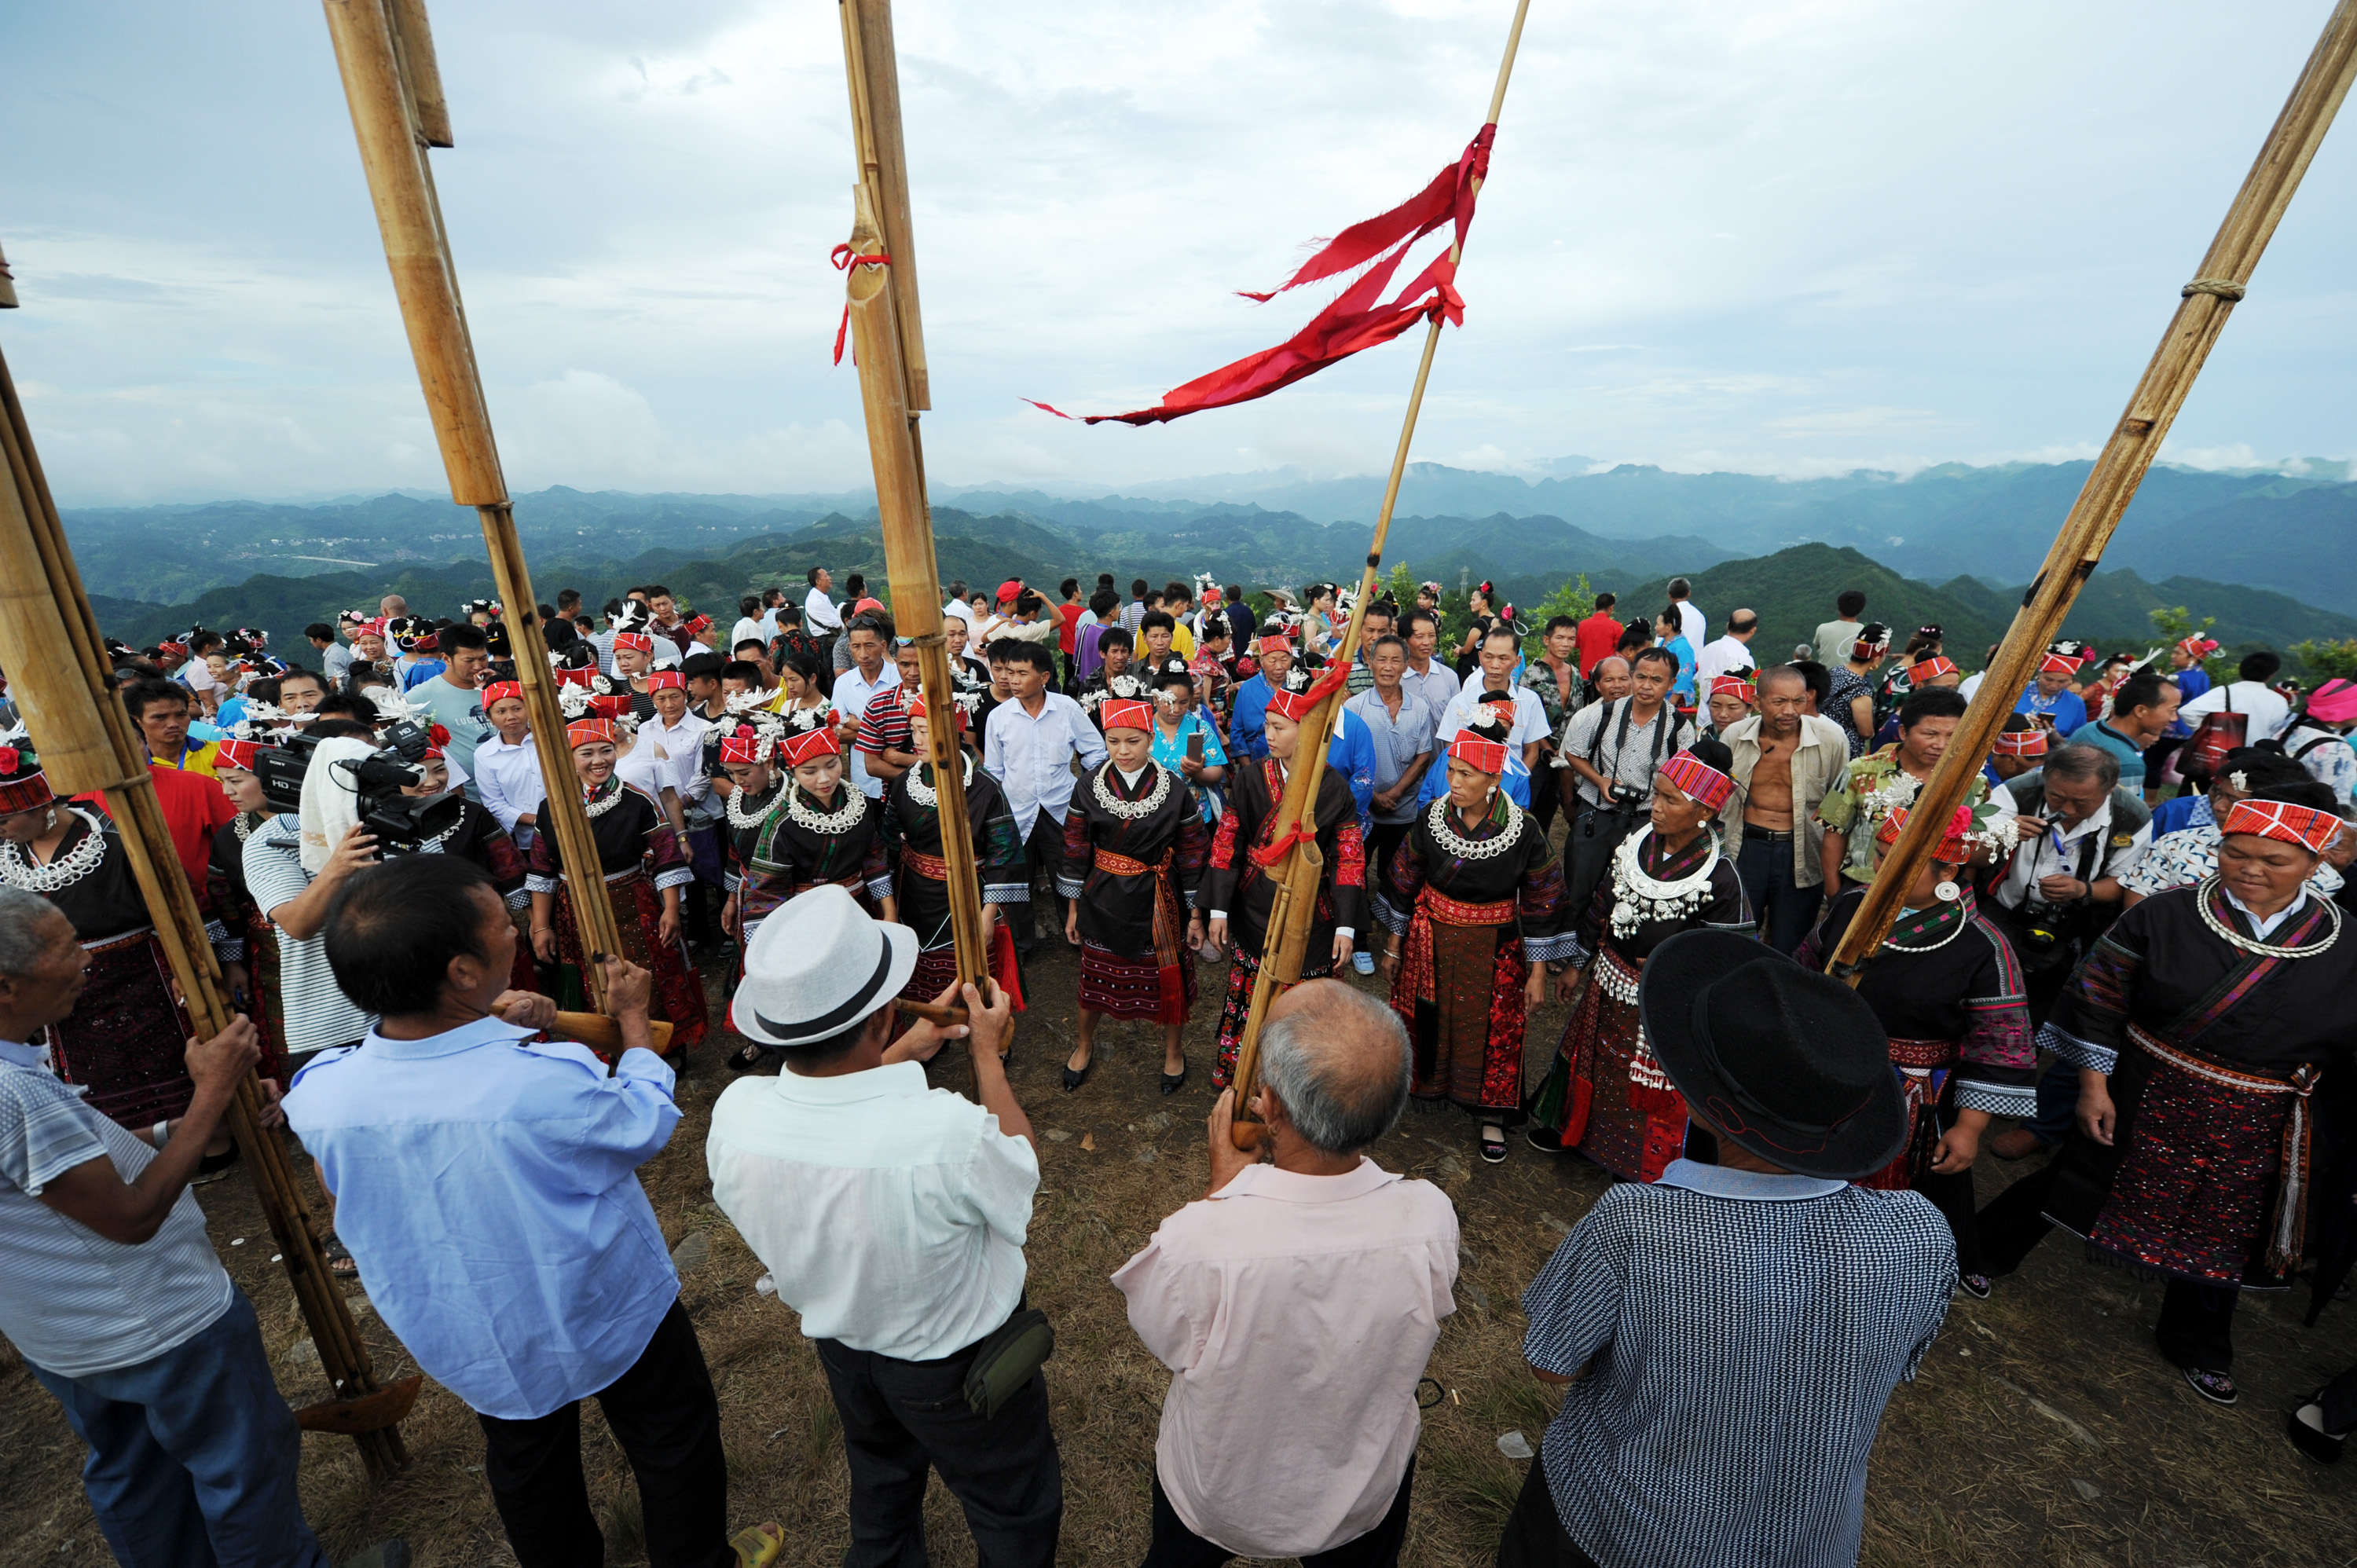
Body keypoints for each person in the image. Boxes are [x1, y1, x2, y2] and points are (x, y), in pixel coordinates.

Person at [285, 855, 735, 1568]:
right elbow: (643, 1123)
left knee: (528, 1465)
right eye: (502, 924)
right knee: (670, 1435)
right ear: (462, 973)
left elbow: (347, 1182)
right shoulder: (539, 1083)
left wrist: (503, 1020)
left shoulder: (320, 1094)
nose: (519, 931)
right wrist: (632, 1027)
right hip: (604, 1303)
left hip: (472, 1327)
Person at [1501, 932, 1951, 1568]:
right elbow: (1894, 1363)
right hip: (1807, 1540)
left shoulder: (1638, 1224)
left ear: (1702, 1104)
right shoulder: (1920, 1232)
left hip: (1625, 1528)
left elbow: (1551, 1361)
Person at [707, 893, 1059, 1567]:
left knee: (882, 1485)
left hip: (844, 1347)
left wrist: (897, 1052)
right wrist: (987, 1055)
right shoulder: (943, 1133)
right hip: (953, 1365)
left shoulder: (736, 1114)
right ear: (885, 1014)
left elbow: (835, 1102)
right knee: (1012, 1506)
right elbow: (1020, 1168)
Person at [1975, 793, 2354, 1407]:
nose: (2250, 869)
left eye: (2274, 860)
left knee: (2223, 1223)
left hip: (2255, 1114)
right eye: (2236, 853)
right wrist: (2093, 1085)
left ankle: (2199, 1341)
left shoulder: (2345, 944)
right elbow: (2098, 994)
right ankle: (1983, 1251)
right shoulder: (2166, 914)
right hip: (2145, 1084)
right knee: (2079, 1175)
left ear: (2313, 866)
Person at [0, 887, 337, 1568]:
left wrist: (179, 1127)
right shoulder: (15, 1092)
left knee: (138, 1479)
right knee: (242, 1471)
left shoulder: (15, 1077)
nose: (89, 960)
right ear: (7, 986)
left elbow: (59, 1164)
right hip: (151, 1325)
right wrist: (213, 1089)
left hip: (61, 1333)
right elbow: (132, 1217)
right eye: (70, 948)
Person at [1113, 980, 1454, 1568]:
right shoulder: (1430, 1218)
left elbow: (1167, 1339)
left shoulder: (1198, 1243)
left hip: (1219, 1495)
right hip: (1360, 1496)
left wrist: (1222, 1197)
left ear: (1270, 1106)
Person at [1795, 805, 2035, 1298]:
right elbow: (1805, 968)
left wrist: (1969, 1129)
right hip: (1826, 1067)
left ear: (1949, 872)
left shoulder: (1981, 946)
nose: (1880, 870)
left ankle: (1864, 1272)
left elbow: (2000, 1045)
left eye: (1897, 862)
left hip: (1909, 1092)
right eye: (1880, 855)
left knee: (1892, 1187)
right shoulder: (1851, 905)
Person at [1526, 744, 1754, 1177]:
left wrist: (1674, 968)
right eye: (1658, 794)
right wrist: (1578, 962)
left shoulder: (1721, 879)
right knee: (1594, 1057)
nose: (1658, 807)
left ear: (1704, 812)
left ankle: (1634, 1158)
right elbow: (1603, 904)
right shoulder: (1637, 845)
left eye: (1671, 800)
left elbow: (1728, 958)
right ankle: (1578, 1131)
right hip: (1609, 980)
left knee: (1643, 1078)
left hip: (1663, 1002)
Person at [1373, 717, 1571, 1163]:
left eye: (1467, 774)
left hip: (1495, 946)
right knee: (1431, 1014)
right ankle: (1423, 1083)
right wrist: (1393, 944)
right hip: (1433, 940)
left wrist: (1537, 971)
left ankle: (1491, 1114)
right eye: (1451, 771)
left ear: (1494, 779)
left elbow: (1543, 900)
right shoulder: (1432, 817)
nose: (1455, 782)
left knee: (1491, 1028)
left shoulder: (1524, 830)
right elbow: (1405, 879)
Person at [0, 744, 211, 1134]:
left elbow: (181, 908)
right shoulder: (8, 860)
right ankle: (124, 1152)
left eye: (3, 819)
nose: (0, 830)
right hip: (64, 995)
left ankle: (203, 1139)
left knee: (170, 1063)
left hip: (148, 980)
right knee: (96, 1084)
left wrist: (190, 966)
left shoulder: (118, 843)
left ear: (37, 805)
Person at [1201, 685, 1367, 1095]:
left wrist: (1347, 926)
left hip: (1311, 912)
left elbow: (1349, 857)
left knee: (1304, 997)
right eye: (1267, 727)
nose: (1268, 735)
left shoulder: (1333, 788)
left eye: (1278, 727)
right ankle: (1241, 1076)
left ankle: (1298, 1086)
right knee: (1252, 989)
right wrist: (1219, 910)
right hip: (1254, 902)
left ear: (1308, 731)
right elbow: (1227, 844)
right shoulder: (1251, 779)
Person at [524, 718, 709, 1055]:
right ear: (569, 759)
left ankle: (660, 1046)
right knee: (589, 974)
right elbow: (542, 868)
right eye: (587, 753)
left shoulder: (637, 801)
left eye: (606, 751)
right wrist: (540, 926)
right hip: (574, 909)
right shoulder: (551, 807)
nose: (599, 760)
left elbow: (667, 854)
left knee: (645, 970)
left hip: (633, 902)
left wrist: (670, 909)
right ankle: (603, 1046)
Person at [1054, 696, 1213, 1092]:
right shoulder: (1088, 787)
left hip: (1159, 900)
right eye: (1113, 741)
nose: (1122, 751)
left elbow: (1194, 853)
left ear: (1150, 739)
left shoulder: (1174, 789)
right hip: (1102, 898)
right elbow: (1075, 848)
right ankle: (1084, 1044)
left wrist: (1195, 916)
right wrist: (1073, 909)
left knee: (1167, 980)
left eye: (1133, 741)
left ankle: (1174, 1053)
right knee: (1094, 980)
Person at [881, 691, 1027, 1022]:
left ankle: (990, 1037)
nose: (915, 740)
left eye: (925, 731)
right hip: (914, 894)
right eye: (913, 729)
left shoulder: (986, 788)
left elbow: (1004, 853)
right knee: (923, 974)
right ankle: (930, 1031)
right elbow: (887, 840)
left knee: (973, 971)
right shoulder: (905, 783)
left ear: (950, 733)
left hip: (968, 897)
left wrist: (989, 913)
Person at [1985, 742, 2150, 1022]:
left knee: (2039, 1006)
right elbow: (1971, 850)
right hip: (2000, 910)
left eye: (2082, 802)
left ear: (2109, 790)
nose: (2067, 809)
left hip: (2069, 928)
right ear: (2044, 778)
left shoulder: (2132, 817)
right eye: (2056, 797)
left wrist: (2082, 890)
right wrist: (2004, 834)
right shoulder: (2017, 792)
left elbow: (2126, 882)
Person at [1816, 687, 2003, 900]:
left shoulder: (1973, 782)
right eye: (1930, 734)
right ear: (1904, 732)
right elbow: (1834, 832)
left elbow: (1969, 847)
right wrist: (1834, 893)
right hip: (1862, 887)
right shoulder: (1860, 771)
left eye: (1953, 735)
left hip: (1932, 897)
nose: (1941, 745)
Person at [983, 640, 1107, 957]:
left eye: (1022, 673)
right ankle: (1021, 945)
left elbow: (1094, 751)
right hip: (1015, 810)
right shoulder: (999, 717)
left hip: (1061, 808)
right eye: (1009, 672)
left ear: (1044, 677)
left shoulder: (1067, 708)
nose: (1012, 679)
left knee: (1067, 873)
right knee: (1015, 881)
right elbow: (994, 771)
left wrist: (1086, 790)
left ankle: (1076, 933)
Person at [1717, 665, 1850, 953]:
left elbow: (1840, 808)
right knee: (1735, 935)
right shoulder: (1735, 736)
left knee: (1790, 942)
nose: (1790, 710)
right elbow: (1715, 796)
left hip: (1801, 851)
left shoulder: (1831, 739)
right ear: (1757, 702)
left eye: (1798, 701)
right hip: (1745, 846)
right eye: (1779, 702)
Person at [1556, 647, 1694, 921]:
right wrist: (1600, 780)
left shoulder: (1679, 728)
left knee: (1629, 889)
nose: (1646, 686)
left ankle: (1612, 948)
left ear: (1671, 683)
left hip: (1645, 820)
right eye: (1641, 677)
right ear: (1632, 676)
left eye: (1657, 680)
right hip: (1595, 813)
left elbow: (1684, 780)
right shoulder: (1604, 714)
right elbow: (1573, 752)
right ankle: (1570, 947)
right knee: (1579, 884)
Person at [1345, 636, 1437, 896]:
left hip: (1403, 808)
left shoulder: (1419, 708)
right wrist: (1372, 796)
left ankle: (1391, 918)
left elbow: (1423, 756)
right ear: (1370, 663)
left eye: (1395, 660)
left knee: (1396, 871)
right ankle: (1358, 922)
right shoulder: (1354, 707)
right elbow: (1346, 762)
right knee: (1355, 868)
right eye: (1382, 659)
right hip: (1363, 809)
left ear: (1406, 665)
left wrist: (1394, 794)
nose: (1388, 666)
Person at [405, 621, 496, 793]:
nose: (478, 666)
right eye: (469, 660)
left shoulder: (496, 686)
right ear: (446, 658)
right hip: (470, 797)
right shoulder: (421, 697)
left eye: (483, 658)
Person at [2073, 669, 2177, 797]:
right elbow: (2125, 814)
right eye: (2171, 711)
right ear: (2140, 711)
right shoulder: (2128, 764)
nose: (2174, 718)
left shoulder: (2088, 730)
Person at [2177, 648, 2293, 745]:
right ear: (2271, 676)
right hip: (2254, 758)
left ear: (2241, 670)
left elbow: (2187, 712)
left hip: (2220, 754)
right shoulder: (2279, 701)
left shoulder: (2225, 692)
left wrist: (2209, 733)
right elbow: (2276, 729)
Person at [1395, 607, 1460, 735]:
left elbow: (1458, 721)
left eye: (1431, 636)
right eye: (1419, 637)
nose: (1427, 643)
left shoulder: (1449, 677)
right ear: (1404, 640)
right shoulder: (1396, 678)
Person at [2016, 647, 2092, 737]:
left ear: (2071, 681)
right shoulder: (2016, 692)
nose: (2054, 686)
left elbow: (2076, 740)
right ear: (2039, 674)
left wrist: (2055, 736)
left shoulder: (2075, 703)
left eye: (2062, 682)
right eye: (2048, 679)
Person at [1692, 607, 1759, 688]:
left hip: (1703, 700)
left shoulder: (1708, 648)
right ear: (1753, 630)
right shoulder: (1743, 657)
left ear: (1728, 626)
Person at [1813, 588, 1868, 668]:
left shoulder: (1822, 628)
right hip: (1853, 678)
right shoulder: (1865, 632)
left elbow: (1819, 647)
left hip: (1825, 677)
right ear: (1861, 610)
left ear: (1839, 608)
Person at [1573, 592, 1622, 678]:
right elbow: (1620, 650)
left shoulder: (1582, 625)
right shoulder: (1616, 627)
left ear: (1595, 607)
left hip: (1586, 674)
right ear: (1611, 608)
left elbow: (1576, 644)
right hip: (1607, 673)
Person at [1700, 672, 1753, 741]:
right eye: (1716, 706)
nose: (1723, 714)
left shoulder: (1759, 738)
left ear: (1749, 708)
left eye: (1732, 708)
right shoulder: (1704, 735)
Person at [1664, 577, 1706, 652]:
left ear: (1669, 595)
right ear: (1688, 593)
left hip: (1673, 660)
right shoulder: (1699, 615)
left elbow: (1661, 640)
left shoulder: (1669, 615)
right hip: (1696, 661)